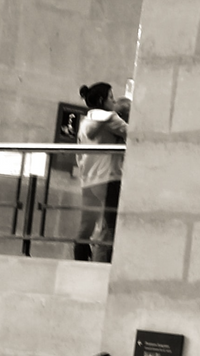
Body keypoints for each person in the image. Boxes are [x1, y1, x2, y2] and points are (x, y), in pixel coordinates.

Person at [73, 82, 126, 263]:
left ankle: (79, 263)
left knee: (86, 226)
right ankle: (104, 265)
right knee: (110, 225)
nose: (114, 101)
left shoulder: (84, 123)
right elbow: (134, 134)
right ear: (103, 100)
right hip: (109, 178)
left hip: (88, 181)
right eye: (111, 97)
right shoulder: (111, 118)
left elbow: (79, 155)